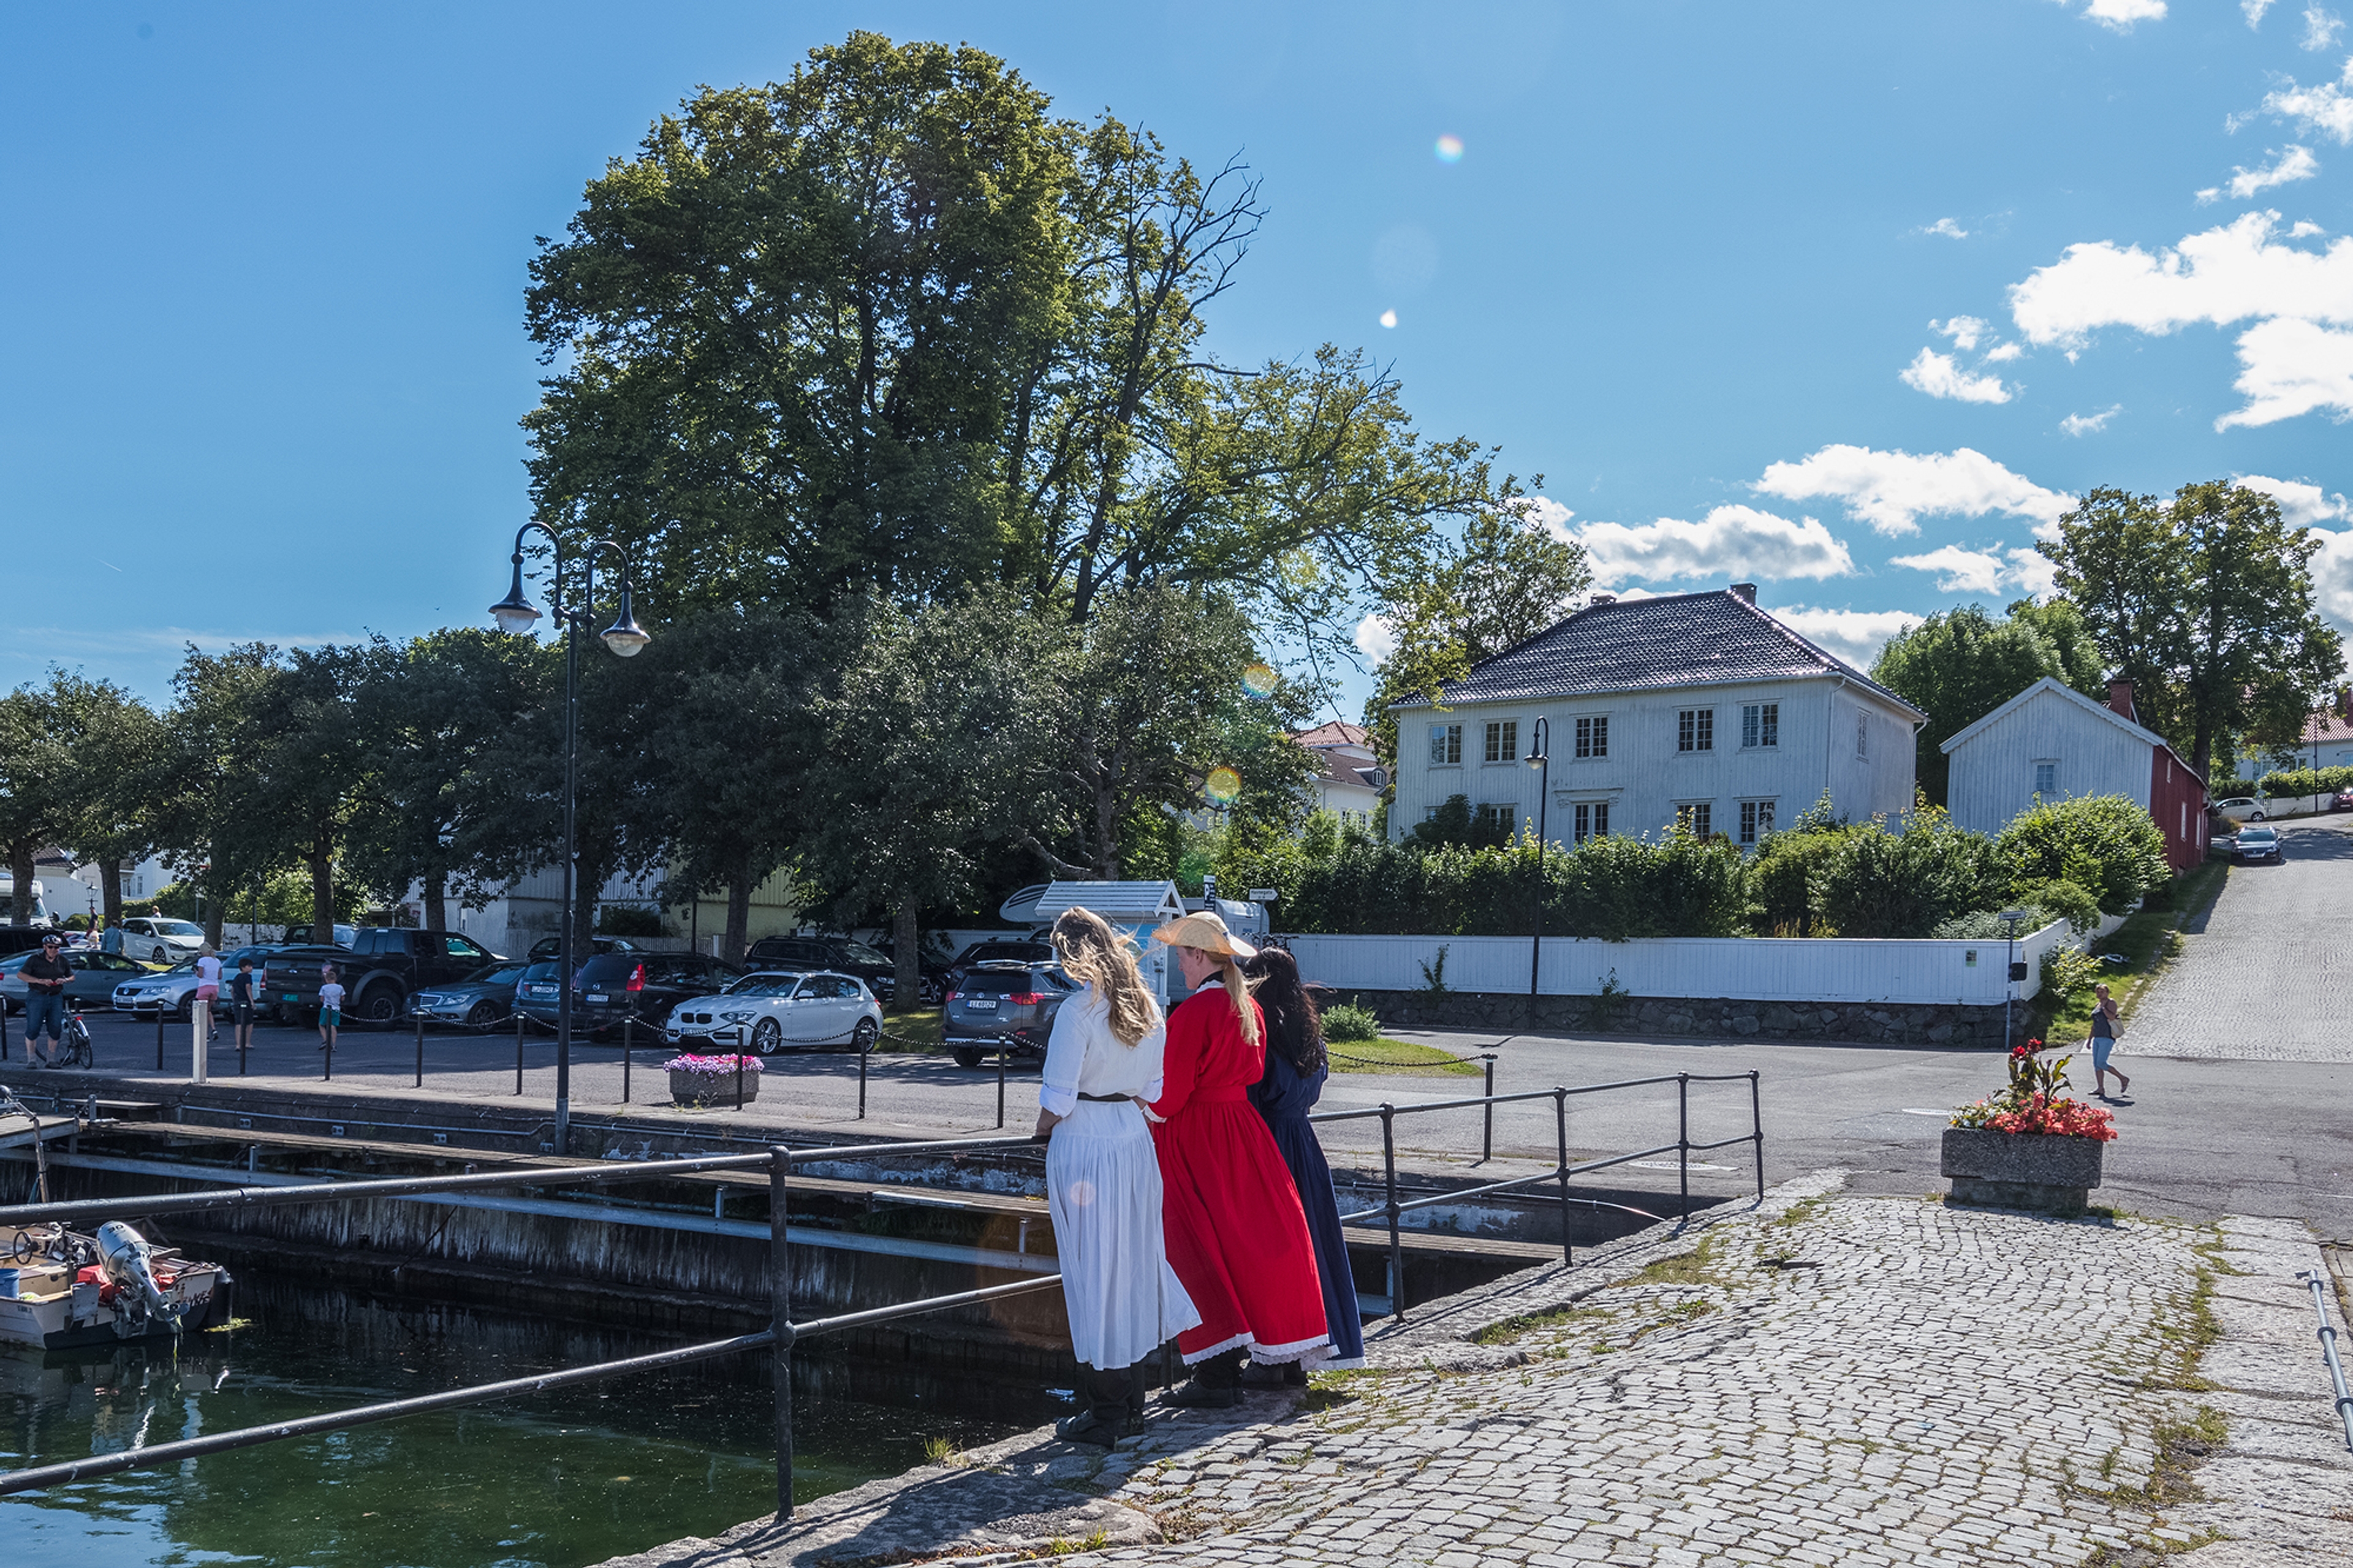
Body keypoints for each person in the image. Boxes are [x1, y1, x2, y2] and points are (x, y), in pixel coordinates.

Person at [1032, 907, 1201, 1446]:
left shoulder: (1078, 1011)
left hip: (1086, 1138)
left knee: (1093, 1269)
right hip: (1131, 1137)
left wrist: (1038, 1132)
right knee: (1129, 1266)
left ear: (1071, 952)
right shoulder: (1148, 1005)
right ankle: (1129, 1403)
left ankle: (1105, 1412)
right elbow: (1154, 1091)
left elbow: (1058, 1097)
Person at [1148, 910, 1330, 1407]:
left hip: (1199, 1139)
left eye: (1184, 954)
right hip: (1243, 1135)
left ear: (1202, 956)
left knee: (1199, 1246)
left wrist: (1137, 1108)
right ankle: (1276, 1354)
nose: (1180, 963)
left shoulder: (1192, 1014)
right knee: (1258, 1243)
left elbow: (1170, 1097)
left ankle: (1215, 1372)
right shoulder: (1245, 1008)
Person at [1239, 947, 1365, 1376]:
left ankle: (1274, 1354)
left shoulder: (1259, 1034)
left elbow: (1252, 1094)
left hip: (1268, 1142)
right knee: (1312, 1245)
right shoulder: (1309, 1034)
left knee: (1270, 1250)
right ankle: (1311, 1346)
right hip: (1304, 1144)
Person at [21, 933, 72, 1067]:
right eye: (51, 947)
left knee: (56, 1028)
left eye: (57, 947)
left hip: (56, 996)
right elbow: (21, 975)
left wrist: (65, 980)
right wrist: (39, 981)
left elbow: (72, 976)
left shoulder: (62, 960)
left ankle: (51, 1060)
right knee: (33, 1028)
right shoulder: (35, 959)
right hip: (37, 995)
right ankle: (31, 1060)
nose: (54, 950)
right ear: (45, 947)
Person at [2088, 982, 2128, 1097]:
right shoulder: (2097, 1005)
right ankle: (2100, 1088)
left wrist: (2105, 1008)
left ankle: (2123, 1078)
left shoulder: (2111, 1003)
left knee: (2102, 1062)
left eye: (2102, 992)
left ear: (2107, 992)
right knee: (2096, 1065)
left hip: (2107, 1037)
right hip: (2098, 1037)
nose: (2100, 994)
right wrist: (2090, 1039)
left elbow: (2112, 1017)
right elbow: (2094, 1024)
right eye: (2098, 992)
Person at [192, 943, 221, 1084]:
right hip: (215, 987)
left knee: (201, 1010)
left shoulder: (202, 961)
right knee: (209, 1010)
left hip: (204, 986)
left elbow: (201, 975)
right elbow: (220, 976)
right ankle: (213, 1029)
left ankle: (202, 1033)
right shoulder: (217, 961)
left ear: (203, 952)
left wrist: (195, 972)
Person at [229, 955, 262, 1059]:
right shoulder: (248, 977)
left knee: (239, 1023)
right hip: (246, 1001)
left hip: (238, 1001)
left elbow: (232, 990)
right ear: (243, 967)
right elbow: (248, 988)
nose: (251, 968)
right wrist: (252, 1001)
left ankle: (238, 1044)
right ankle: (247, 1042)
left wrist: (234, 1000)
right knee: (249, 1023)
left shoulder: (237, 977)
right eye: (249, 966)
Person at [317, 964, 344, 1053]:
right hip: (336, 1008)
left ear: (327, 980)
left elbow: (322, 999)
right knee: (333, 1026)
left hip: (326, 1008)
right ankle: (334, 1045)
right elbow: (342, 998)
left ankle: (325, 1040)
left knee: (322, 1024)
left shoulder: (324, 988)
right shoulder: (340, 987)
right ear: (335, 979)